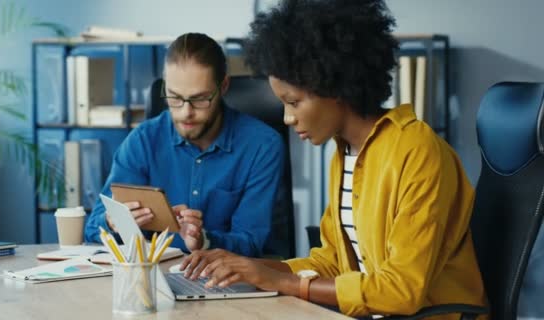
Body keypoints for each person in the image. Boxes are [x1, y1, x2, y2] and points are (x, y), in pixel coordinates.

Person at [179, 0, 488, 318]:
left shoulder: (417, 152)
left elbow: (401, 291)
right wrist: (245, 267)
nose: (287, 118)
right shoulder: (345, 154)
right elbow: (332, 261)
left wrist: (280, 281)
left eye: (294, 102)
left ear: (333, 85)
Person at [84, 33, 284, 257]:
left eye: (199, 99)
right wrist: (114, 221)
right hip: (155, 278)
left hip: (229, 281)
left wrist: (205, 240)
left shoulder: (262, 146)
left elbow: (251, 242)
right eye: (174, 97)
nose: (185, 113)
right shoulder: (142, 140)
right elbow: (93, 228)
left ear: (224, 86)